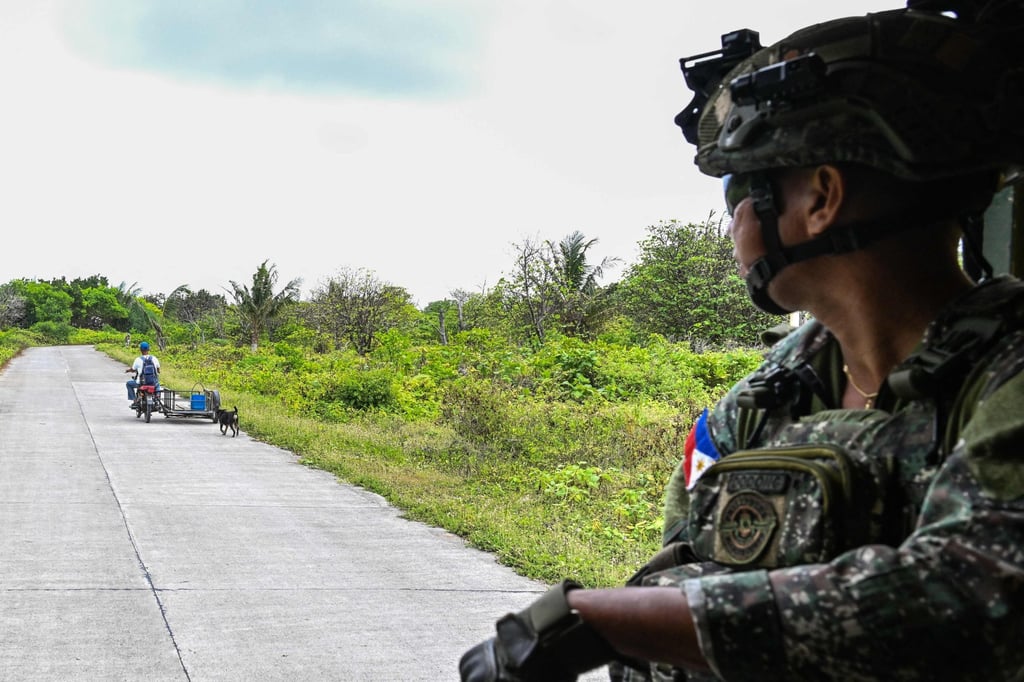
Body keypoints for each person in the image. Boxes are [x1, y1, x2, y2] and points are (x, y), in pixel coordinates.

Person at [459, 1, 1024, 680]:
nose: (730, 226)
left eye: (738, 192)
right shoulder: (773, 392)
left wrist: (602, 621)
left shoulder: (1007, 374)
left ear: (821, 198)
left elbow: (968, 599)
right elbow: (683, 558)